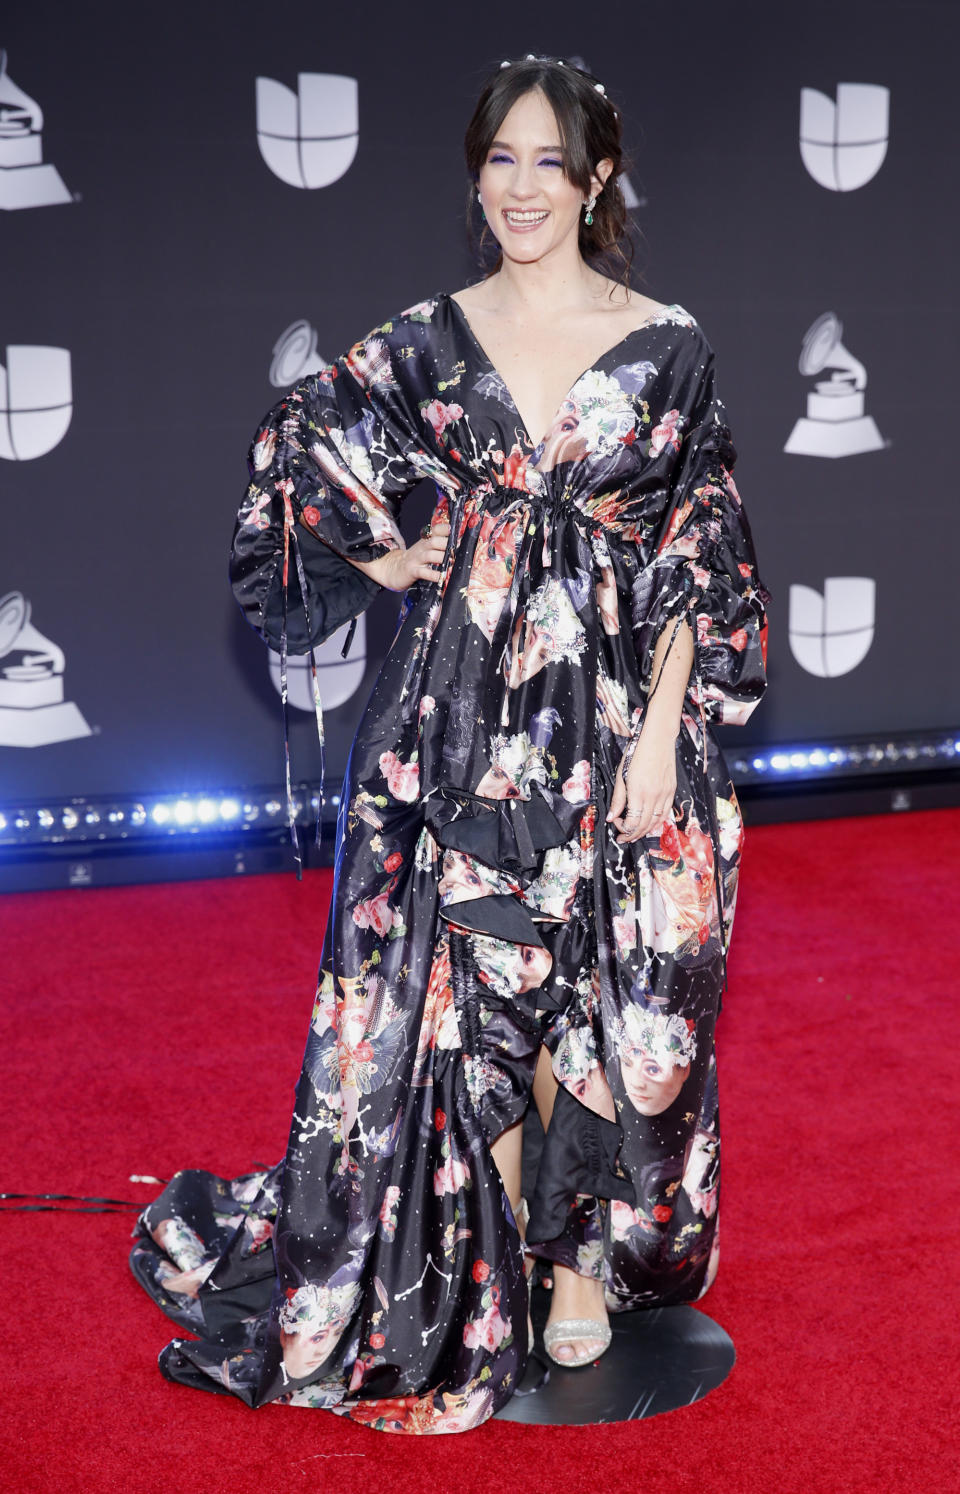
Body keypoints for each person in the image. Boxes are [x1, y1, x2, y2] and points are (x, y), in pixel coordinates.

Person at [130, 53, 769, 1433]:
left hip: (609, 712)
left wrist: (662, 733)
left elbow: (695, 550)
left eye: (550, 161)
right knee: (479, 968)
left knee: (605, 963)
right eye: (500, 160)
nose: (522, 187)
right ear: (474, 176)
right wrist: (389, 544)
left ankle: (579, 1250)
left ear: (599, 177)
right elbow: (301, 447)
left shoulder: (670, 343)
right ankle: (506, 1249)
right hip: (461, 705)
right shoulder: (428, 335)